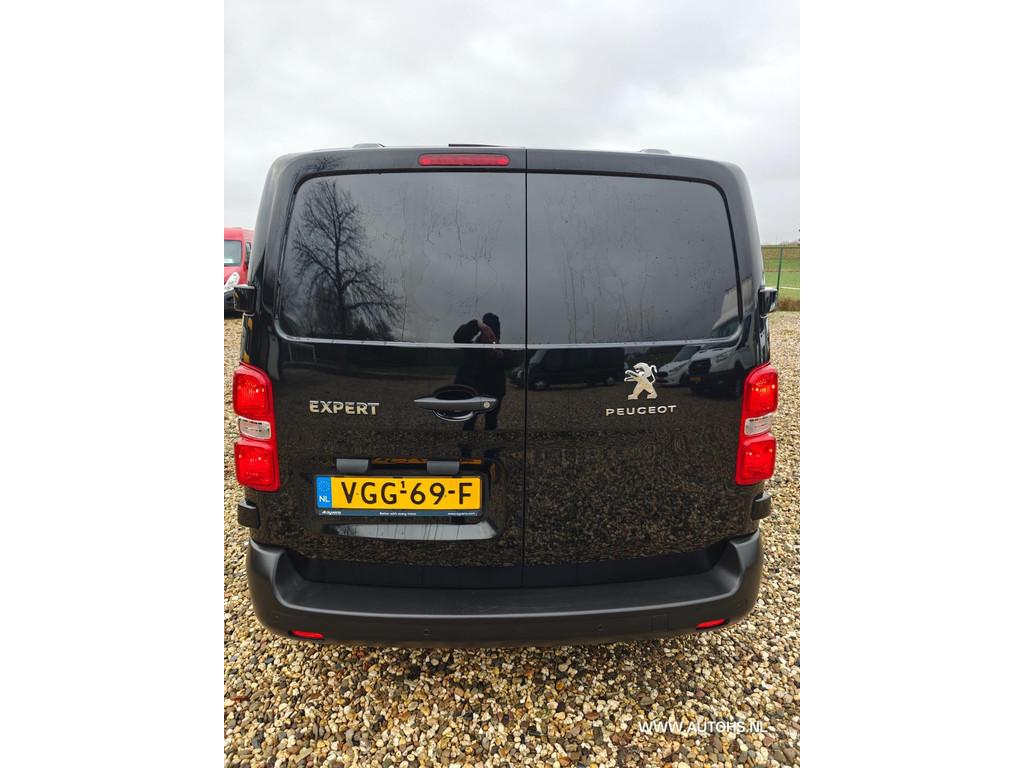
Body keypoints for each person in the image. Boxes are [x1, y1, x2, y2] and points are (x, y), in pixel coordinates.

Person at [452, 313, 506, 430]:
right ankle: (466, 441)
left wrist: (499, 355)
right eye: (487, 333)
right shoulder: (472, 348)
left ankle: (489, 441)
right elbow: (458, 338)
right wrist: (477, 324)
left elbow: (511, 363)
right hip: (472, 393)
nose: (490, 338)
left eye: (493, 335)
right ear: (482, 332)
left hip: (493, 393)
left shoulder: (500, 350)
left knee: (491, 423)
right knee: (468, 423)